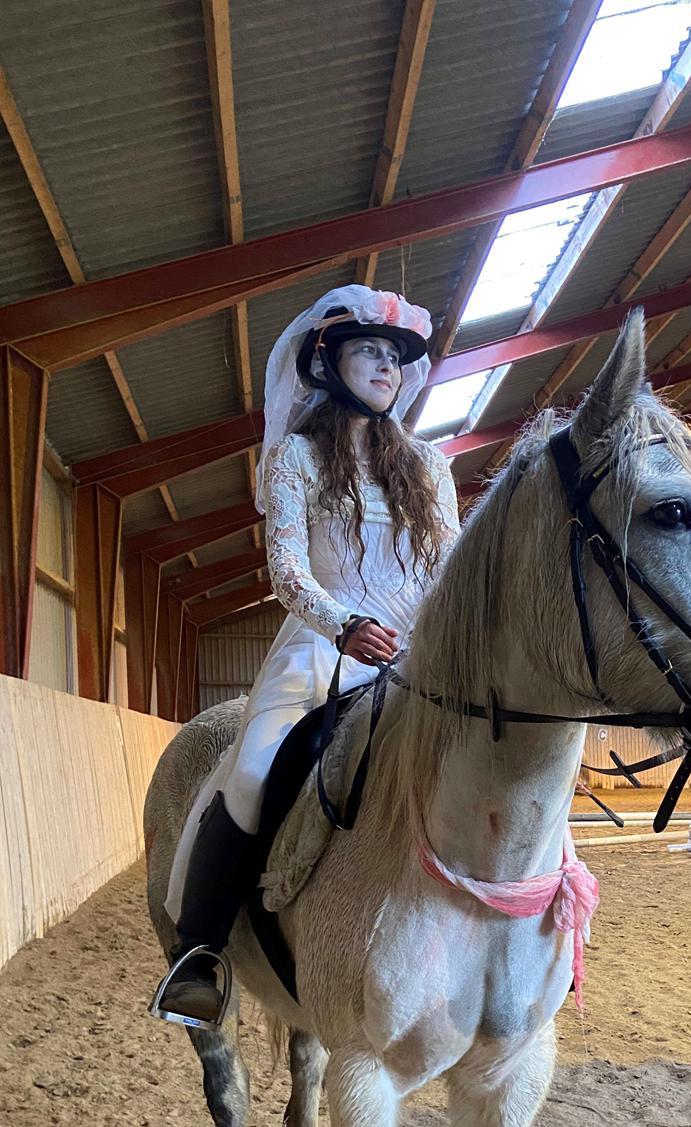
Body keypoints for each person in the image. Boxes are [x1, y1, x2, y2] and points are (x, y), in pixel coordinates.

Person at [153, 285, 460, 1026]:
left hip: (419, 658)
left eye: (394, 357)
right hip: (323, 649)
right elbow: (286, 570)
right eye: (369, 353)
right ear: (328, 363)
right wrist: (344, 622)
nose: (387, 368)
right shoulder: (295, 457)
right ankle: (201, 953)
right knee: (251, 770)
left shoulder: (429, 466)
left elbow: (450, 569)